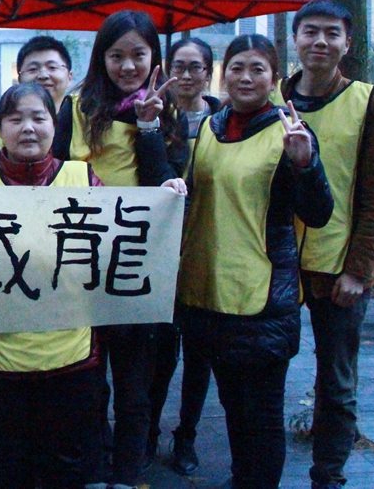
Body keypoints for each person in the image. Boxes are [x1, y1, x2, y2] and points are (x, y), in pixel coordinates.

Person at [166, 34, 333, 488]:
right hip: (208, 294)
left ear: (274, 78)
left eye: (257, 69)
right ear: (224, 74)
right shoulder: (211, 128)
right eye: (237, 67)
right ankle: (243, 479)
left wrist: (306, 164)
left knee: (261, 416)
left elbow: (318, 213)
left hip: (262, 297)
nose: (245, 77)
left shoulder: (290, 131)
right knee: (233, 408)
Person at [50, 10, 179, 488]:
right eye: (117, 55)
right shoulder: (76, 106)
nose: (127, 66)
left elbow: (166, 185)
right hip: (81, 258)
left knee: (133, 384)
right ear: (101, 58)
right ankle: (92, 469)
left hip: (137, 263)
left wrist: (149, 126)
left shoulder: (166, 110)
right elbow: (53, 171)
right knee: (86, 379)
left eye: (138, 55)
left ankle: (127, 472)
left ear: (153, 58)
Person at [0, 82, 107, 489]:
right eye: (15, 119)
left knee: (67, 458)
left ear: (54, 125)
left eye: (38, 118)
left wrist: (167, 194)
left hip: (71, 352)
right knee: (11, 458)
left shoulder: (82, 177)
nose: (28, 128)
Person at [281, 0, 374, 489]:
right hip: (276, 261)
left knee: (337, 381)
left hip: (338, 266)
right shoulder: (273, 97)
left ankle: (328, 476)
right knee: (265, 368)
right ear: (296, 39)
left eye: (331, 33)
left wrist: (359, 269)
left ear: (347, 42)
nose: (320, 42)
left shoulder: (366, 101)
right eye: (310, 32)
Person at [146, 36, 222, 476]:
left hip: (206, 247)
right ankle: (148, 431)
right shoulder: (156, 118)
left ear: (208, 73)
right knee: (161, 352)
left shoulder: (223, 121)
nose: (187, 75)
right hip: (162, 252)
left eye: (196, 67)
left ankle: (186, 435)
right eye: (179, 66)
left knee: (199, 354)